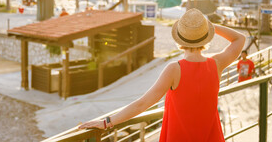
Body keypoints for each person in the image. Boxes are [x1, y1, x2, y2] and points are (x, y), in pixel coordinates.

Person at [78, 8, 245, 141]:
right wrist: (208, 27)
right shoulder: (216, 64)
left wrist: (107, 122)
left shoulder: (174, 69)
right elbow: (239, 38)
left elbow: (142, 104)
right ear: (206, 37)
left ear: (179, 40)